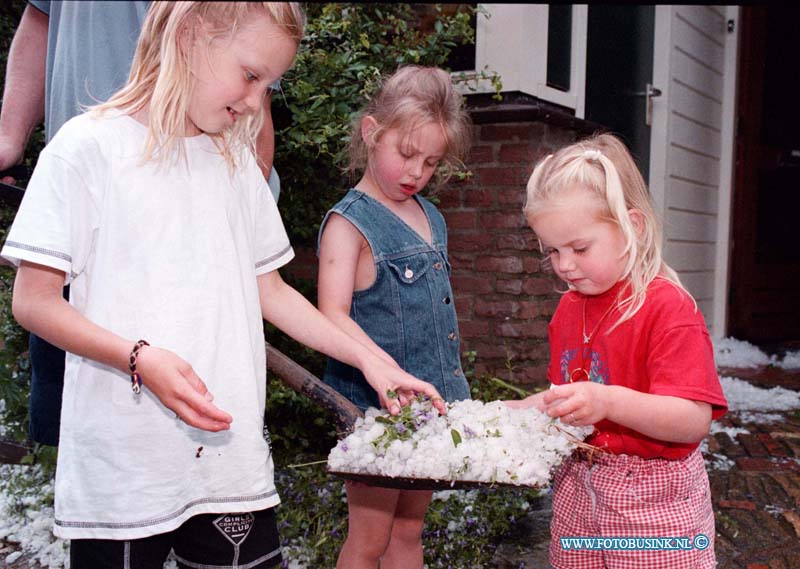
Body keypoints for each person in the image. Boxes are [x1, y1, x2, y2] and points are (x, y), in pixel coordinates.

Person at [0, 4, 445, 568]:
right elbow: (33, 303)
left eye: (269, 84)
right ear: (189, 34)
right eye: (251, 76)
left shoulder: (233, 162)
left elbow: (273, 291)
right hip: (123, 476)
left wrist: (372, 362)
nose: (257, 102)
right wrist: (139, 357)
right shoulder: (85, 148)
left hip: (230, 468)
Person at [0, 0, 281, 446]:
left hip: (197, 216)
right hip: (92, 232)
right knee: (89, 425)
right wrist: (8, 140)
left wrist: (237, 216)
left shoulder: (234, 149)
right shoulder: (82, 149)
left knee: (200, 408)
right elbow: (39, 21)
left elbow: (254, 85)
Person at [506, 133, 728, 569]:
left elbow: (692, 420)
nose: (564, 264)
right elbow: (566, 400)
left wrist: (607, 401)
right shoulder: (569, 309)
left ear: (633, 227)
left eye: (580, 248)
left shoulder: (666, 307)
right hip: (581, 495)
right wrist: (506, 414)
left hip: (655, 505)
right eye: (552, 250)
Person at [316, 65, 472, 569]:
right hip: (375, 411)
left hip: (428, 405)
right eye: (406, 154)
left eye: (430, 162)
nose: (416, 172)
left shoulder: (432, 217)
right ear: (371, 132)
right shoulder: (349, 223)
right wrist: (380, 367)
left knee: (408, 533)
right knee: (370, 538)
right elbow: (330, 315)